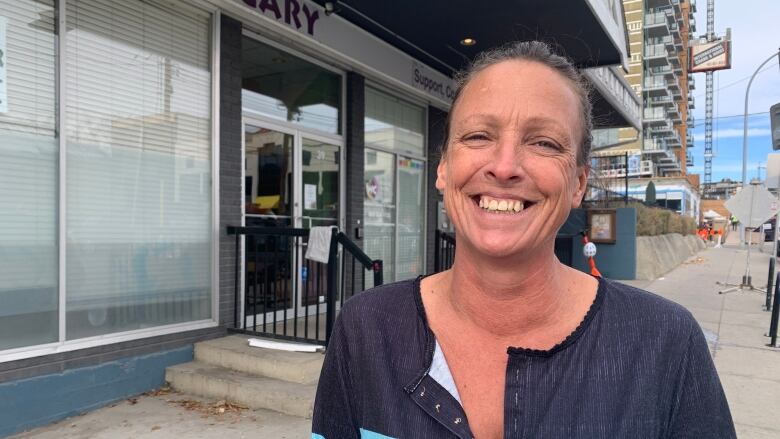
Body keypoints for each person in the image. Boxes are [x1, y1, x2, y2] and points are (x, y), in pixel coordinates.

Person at [312, 41, 735, 438]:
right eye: (478, 136)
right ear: (443, 167)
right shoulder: (366, 329)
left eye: (544, 142)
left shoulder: (665, 343)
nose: (504, 166)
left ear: (578, 184)